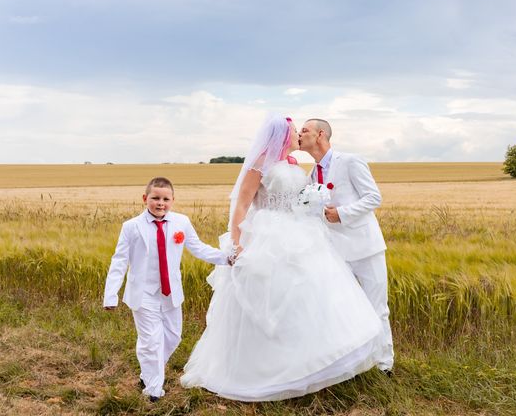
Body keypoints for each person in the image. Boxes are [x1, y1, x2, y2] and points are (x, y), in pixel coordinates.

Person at [180, 115, 383, 401]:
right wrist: (237, 244)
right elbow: (242, 205)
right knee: (272, 301)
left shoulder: (293, 164)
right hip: (269, 236)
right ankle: (263, 370)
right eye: (293, 131)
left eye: (301, 131)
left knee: (309, 299)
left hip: (301, 234)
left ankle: (311, 364)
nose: (297, 134)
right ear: (279, 135)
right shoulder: (260, 162)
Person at [103, 177, 230, 402]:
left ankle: (147, 372)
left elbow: (198, 248)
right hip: (143, 294)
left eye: (165, 199)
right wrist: (111, 294)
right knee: (151, 341)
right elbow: (119, 261)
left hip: (171, 292)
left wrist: (226, 258)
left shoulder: (181, 222)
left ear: (172, 200)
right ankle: (153, 390)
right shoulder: (131, 227)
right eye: (155, 198)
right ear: (145, 199)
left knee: (172, 337)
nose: (160, 203)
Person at [299, 118, 394, 373]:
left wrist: (342, 213)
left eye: (304, 130)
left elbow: (374, 197)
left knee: (377, 307)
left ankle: (384, 365)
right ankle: (355, 365)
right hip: (335, 253)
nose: (299, 134)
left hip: (366, 247)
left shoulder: (350, 161)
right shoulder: (311, 175)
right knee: (346, 310)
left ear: (320, 135)